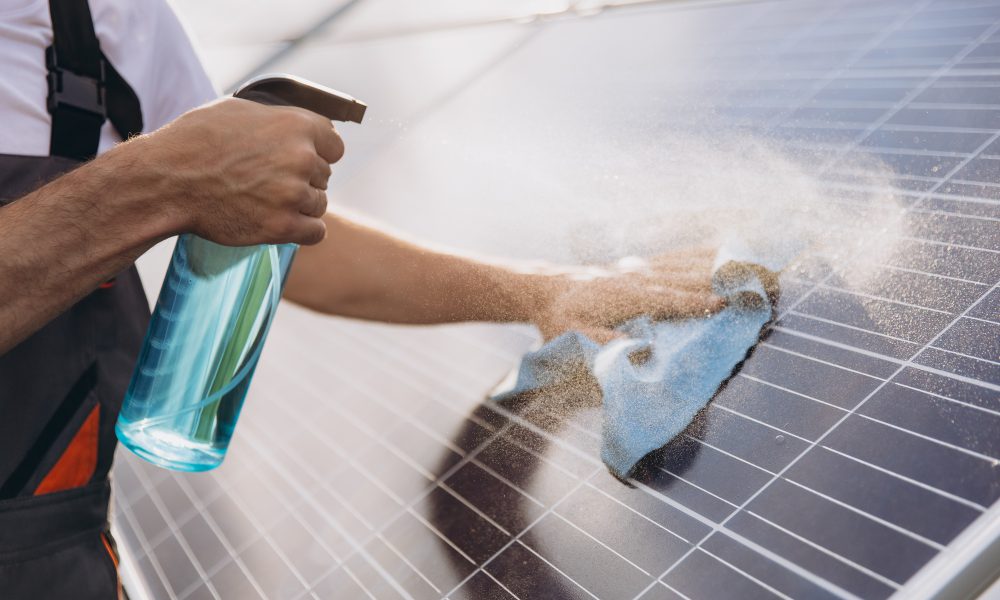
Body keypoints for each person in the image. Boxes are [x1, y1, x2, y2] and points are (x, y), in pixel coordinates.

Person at [0, 0, 723, 597]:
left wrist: (542, 289)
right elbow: (189, 175)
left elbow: (280, 233)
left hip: (62, 560)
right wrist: (157, 182)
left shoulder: (99, 17)